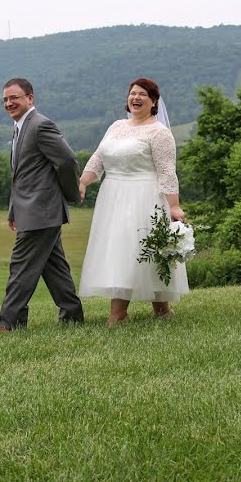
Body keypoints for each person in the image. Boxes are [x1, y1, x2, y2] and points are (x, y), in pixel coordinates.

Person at [0, 78, 84, 334]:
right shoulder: (19, 128)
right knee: (54, 266)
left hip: (42, 210)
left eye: (14, 98)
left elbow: (67, 160)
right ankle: (72, 316)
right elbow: (21, 177)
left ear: (30, 98)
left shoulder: (40, 125)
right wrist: (14, 211)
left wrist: (71, 195)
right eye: (5, 100)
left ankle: (9, 323)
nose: (9, 103)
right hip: (32, 211)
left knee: (20, 266)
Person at [78, 78, 189, 324]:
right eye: (132, 94)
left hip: (144, 196)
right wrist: (83, 182)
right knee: (120, 249)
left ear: (154, 102)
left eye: (142, 95)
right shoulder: (116, 126)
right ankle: (134, 312)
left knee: (143, 249)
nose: (136, 98)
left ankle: (137, 311)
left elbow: (167, 171)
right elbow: (98, 159)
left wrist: (174, 206)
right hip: (113, 197)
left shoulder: (159, 132)